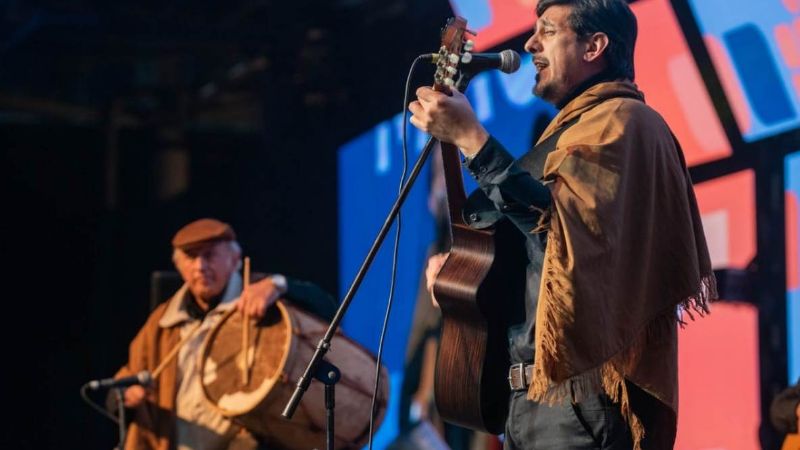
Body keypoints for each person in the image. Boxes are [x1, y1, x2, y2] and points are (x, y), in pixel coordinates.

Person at [409, 0, 716, 449]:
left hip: (582, 407)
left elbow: (561, 227)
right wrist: (463, 281)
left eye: (548, 31)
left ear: (595, 46)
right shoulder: (567, 135)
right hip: (533, 402)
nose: (530, 44)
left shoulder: (625, 123)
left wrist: (473, 140)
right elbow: (542, 264)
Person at [110, 218, 337, 450]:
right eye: (191, 257)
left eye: (209, 255)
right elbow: (124, 383)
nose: (200, 266)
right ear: (179, 266)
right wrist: (126, 396)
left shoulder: (261, 296)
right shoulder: (164, 320)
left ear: (235, 260)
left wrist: (280, 284)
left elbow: (328, 309)